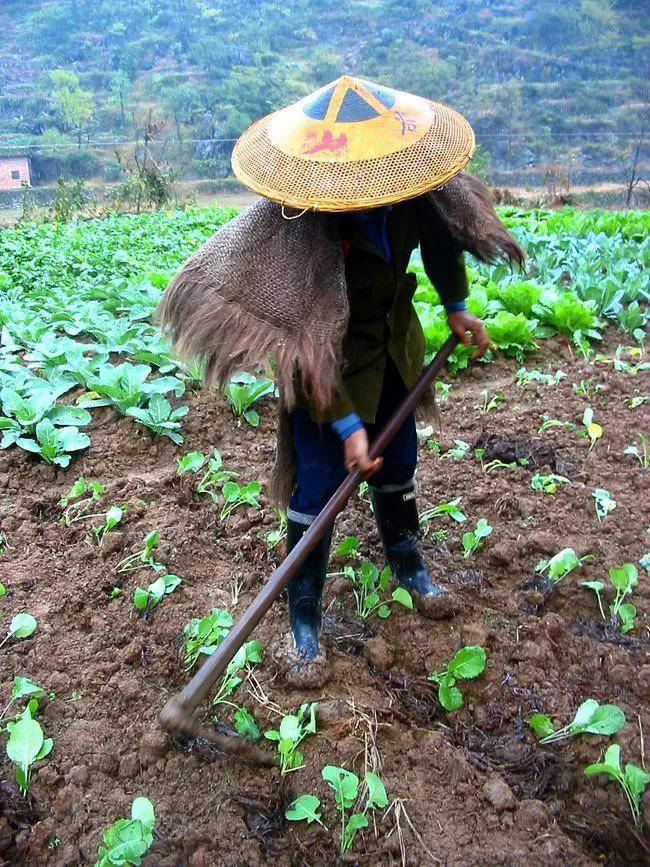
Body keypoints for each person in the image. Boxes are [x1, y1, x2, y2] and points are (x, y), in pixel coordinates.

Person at [157, 76, 524, 687]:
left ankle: (408, 566)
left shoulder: (414, 188)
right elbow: (303, 350)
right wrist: (350, 426)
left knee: (398, 461)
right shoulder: (298, 228)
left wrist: (455, 305)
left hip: (391, 354)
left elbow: (440, 245)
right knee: (321, 488)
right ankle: (304, 618)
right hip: (323, 375)